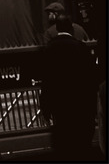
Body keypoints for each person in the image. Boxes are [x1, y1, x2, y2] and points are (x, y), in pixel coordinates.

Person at [32, 12, 98, 160]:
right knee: (82, 145)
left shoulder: (49, 49)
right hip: (80, 104)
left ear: (56, 28)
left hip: (59, 105)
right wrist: (93, 107)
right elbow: (91, 79)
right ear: (72, 29)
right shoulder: (81, 48)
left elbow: (46, 82)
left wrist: (45, 108)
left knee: (65, 145)